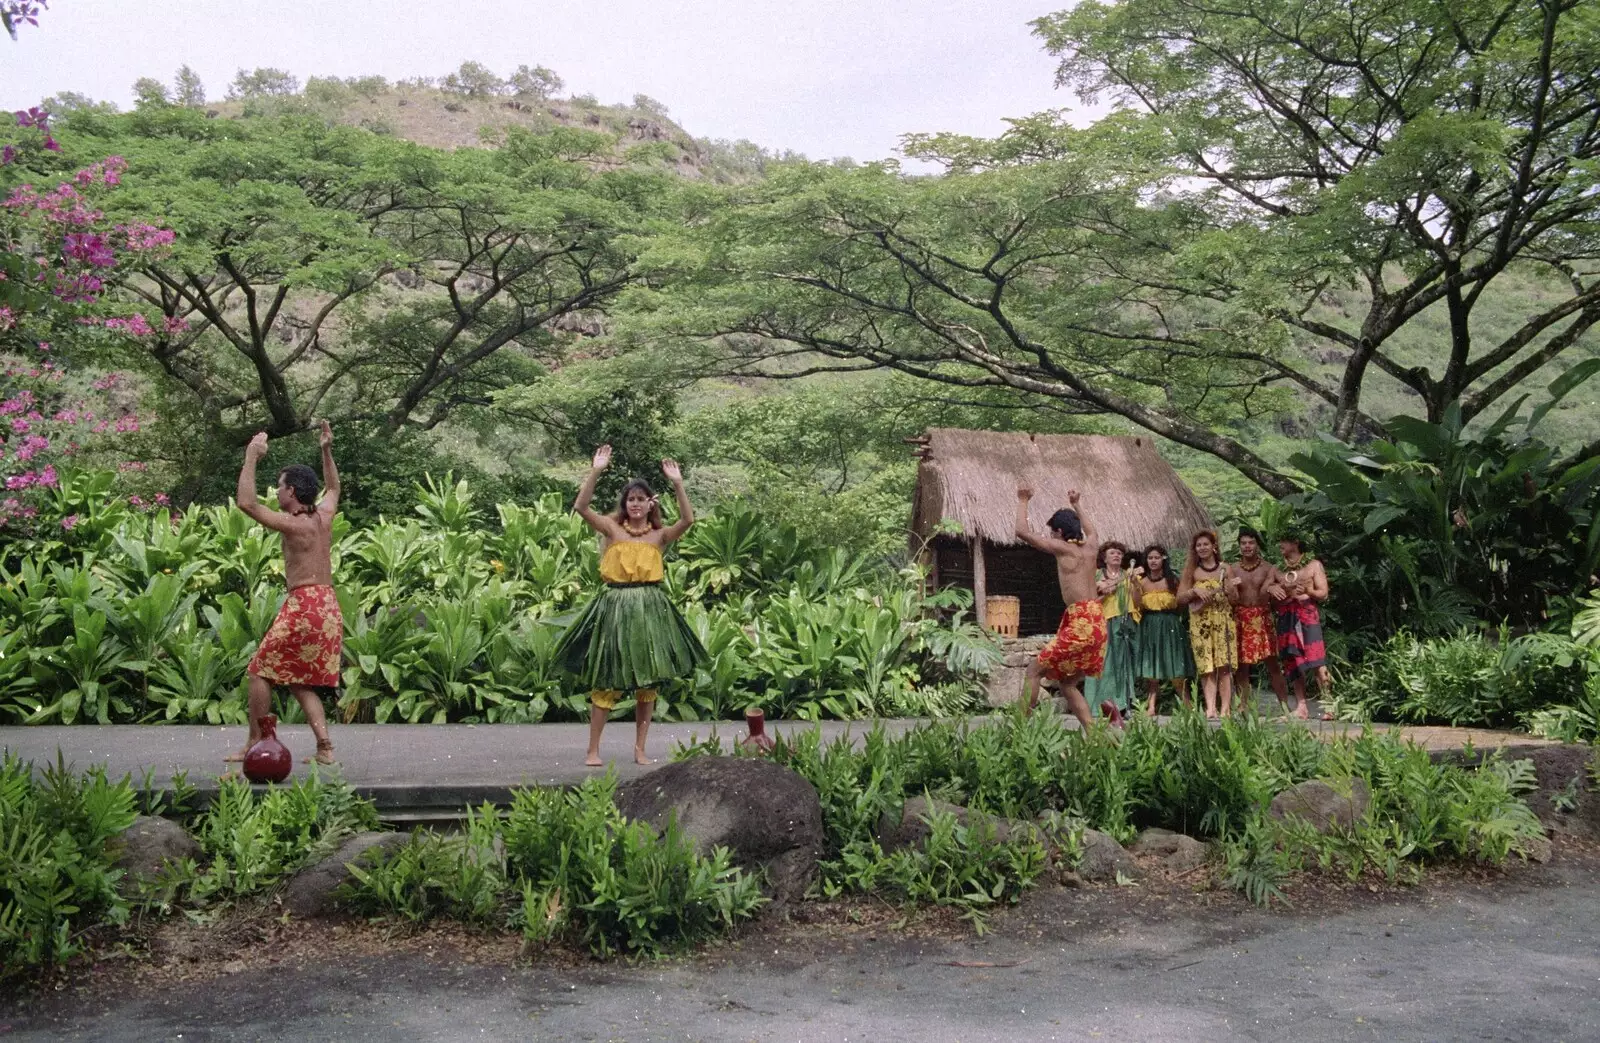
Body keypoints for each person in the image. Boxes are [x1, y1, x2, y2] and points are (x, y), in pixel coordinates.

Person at [557, 444, 707, 766]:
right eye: (631, 499)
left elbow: (688, 519)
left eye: (641, 499)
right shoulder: (612, 530)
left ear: (648, 504)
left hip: (650, 610)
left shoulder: (658, 536)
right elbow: (581, 507)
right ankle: (593, 750)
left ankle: (640, 749)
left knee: (647, 684)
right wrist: (596, 469)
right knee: (608, 679)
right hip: (615, 608)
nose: (635, 504)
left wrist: (677, 483)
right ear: (625, 504)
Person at [227, 421, 342, 766]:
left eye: (279, 487)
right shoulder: (324, 516)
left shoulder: (293, 523)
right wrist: (326, 450)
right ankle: (325, 748)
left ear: (291, 491)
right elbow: (334, 487)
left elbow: (246, 503)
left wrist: (251, 457)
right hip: (328, 605)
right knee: (298, 680)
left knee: (259, 670)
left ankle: (254, 743)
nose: (276, 492)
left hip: (305, 603)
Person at [1015, 486, 1104, 730]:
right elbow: (1091, 530)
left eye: (1052, 533)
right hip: (1097, 622)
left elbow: (1021, 532)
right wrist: (1077, 504)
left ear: (1060, 532)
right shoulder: (1091, 547)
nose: (1050, 537)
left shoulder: (1063, 548)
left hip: (1081, 623)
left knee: (1033, 671)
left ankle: (1019, 731)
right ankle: (1094, 734)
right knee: (1067, 683)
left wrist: (1023, 500)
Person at [1267, 533, 1330, 719]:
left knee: (1317, 661)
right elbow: (1266, 590)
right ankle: (1301, 707)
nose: (1280, 545)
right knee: (1291, 661)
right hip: (1286, 617)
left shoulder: (1313, 565)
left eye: (1284, 541)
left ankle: (1329, 705)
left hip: (1307, 616)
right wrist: (1272, 589)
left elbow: (1324, 593)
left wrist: (1309, 590)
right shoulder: (1277, 569)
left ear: (1295, 542)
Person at [1178, 530, 1238, 719]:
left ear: (1214, 546)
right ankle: (1210, 707)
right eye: (1198, 545)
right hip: (1201, 623)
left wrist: (1230, 589)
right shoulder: (1192, 571)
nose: (1202, 548)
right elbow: (1179, 599)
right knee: (1206, 666)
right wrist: (1195, 591)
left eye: (1205, 544)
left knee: (1224, 665)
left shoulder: (1225, 569)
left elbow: (1236, 599)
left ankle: (1225, 709)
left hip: (1223, 621)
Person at [1231, 529, 1289, 714]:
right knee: (1241, 666)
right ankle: (1243, 706)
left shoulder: (1268, 568)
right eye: (1244, 543)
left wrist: (1274, 585)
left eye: (1251, 543)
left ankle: (1285, 706)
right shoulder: (1232, 569)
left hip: (1262, 618)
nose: (1247, 546)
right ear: (1239, 546)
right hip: (1240, 618)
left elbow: (1286, 582)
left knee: (1272, 663)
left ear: (1257, 545)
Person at [1130, 545, 1193, 715]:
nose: (1153, 561)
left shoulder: (1173, 580)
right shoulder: (1141, 582)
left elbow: (1181, 603)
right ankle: (1151, 707)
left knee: (1175, 667)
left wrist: (1172, 619)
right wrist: (1135, 585)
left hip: (1170, 623)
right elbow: (1137, 604)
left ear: (1163, 559)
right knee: (1152, 668)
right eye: (1150, 558)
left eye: (1156, 557)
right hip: (1149, 624)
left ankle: (1188, 705)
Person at [1084, 541, 1138, 723]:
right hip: (1102, 621)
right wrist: (1105, 592)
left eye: (1119, 553)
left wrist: (1135, 585)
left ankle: (1122, 705)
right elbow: (1089, 601)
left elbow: (1138, 601)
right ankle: (1097, 705)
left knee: (1122, 663)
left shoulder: (1128, 575)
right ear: (1104, 557)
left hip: (1124, 621)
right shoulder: (1097, 575)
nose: (1117, 556)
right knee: (1103, 663)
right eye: (1113, 553)